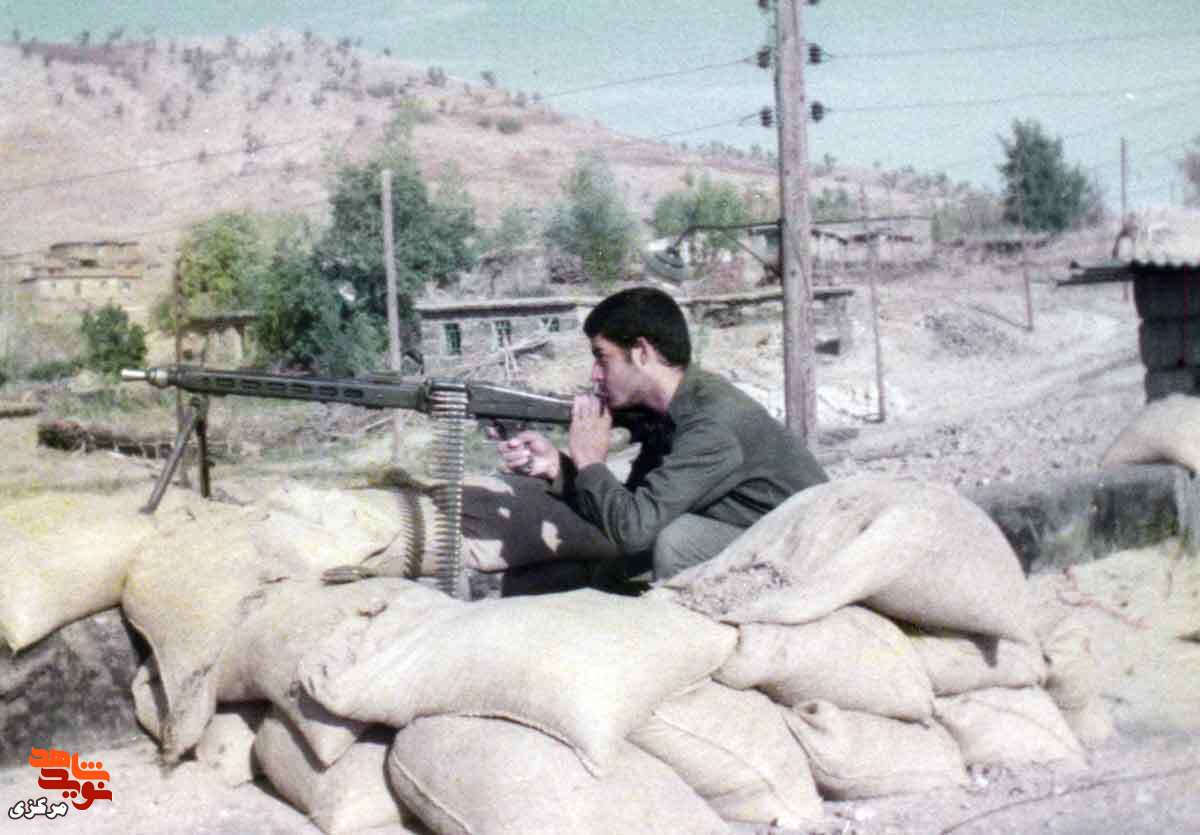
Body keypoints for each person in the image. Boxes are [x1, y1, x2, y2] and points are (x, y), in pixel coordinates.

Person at [496, 286, 827, 587]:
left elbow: (633, 530)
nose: (595, 374)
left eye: (602, 357)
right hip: (758, 534)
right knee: (607, 571)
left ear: (642, 352)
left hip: (805, 549)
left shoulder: (710, 424)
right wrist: (558, 467)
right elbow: (629, 507)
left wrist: (590, 461)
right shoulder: (669, 410)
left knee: (676, 540)